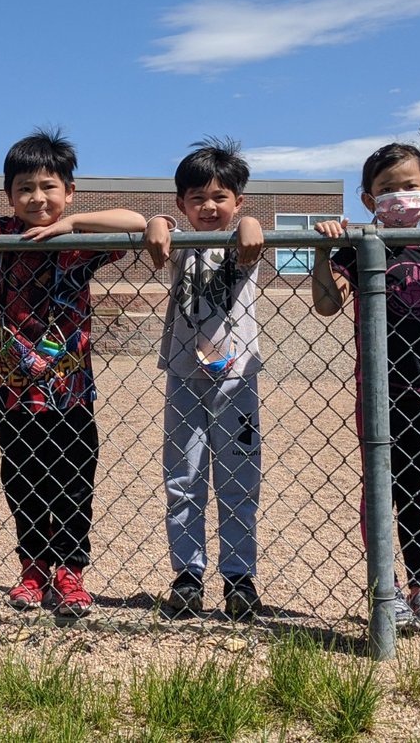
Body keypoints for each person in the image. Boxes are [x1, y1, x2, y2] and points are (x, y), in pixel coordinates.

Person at [0, 129, 146, 617]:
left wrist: (75, 223)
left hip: (72, 393)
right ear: (9, 196)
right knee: (21, 480)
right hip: (12, 395)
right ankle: (32, 568)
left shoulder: (79, 241)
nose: (37, 198)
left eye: (49, 187)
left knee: (74, 480)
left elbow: (137, 221)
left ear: (68, 192)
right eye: (24, 188)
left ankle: (70, 572)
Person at [311, 142, 420, 634]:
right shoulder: (360, 245)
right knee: (380, 489)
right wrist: (324, 251)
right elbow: (326, 303)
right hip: (376, 391)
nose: (399, 197)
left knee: (416, 491)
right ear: (368, 200)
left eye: (408, 187)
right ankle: (385, 587)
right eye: (386, 190)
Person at [143, 137, 266, 620]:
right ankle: (188, 577)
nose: (209, 206)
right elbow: (157, 233)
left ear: (238, 201)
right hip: (183, 377)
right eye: (198, 198)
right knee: (183, 477)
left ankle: (239, 578)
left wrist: (252, 223)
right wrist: (159, 222)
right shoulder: (178, 246)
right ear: (182, 203)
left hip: (237, 380)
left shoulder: (245, 242)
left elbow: (253, 240)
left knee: (239, 477)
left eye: (220, 197)